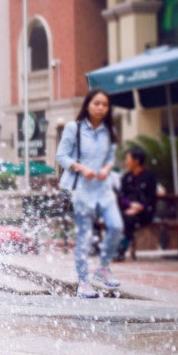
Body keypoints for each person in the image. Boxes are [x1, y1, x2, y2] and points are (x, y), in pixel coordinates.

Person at [55, 88, 122, 299]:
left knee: (116, 226)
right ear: (87, 105)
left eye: (105, 105)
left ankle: (102, 269)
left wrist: (105, 170)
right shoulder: (73, 128)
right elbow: (61, 156)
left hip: (103, 188)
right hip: (81, 189)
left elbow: (111, 158)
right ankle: (83, 283)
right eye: (97, 103)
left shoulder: (110, 132)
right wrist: (81, 168)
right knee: (85, 235)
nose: (101, 108)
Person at [115, 146, 158, 261]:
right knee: (120, 217)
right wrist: (130, 205)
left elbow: (152, 196)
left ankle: (120, 249)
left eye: (128, 158)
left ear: (136, 160)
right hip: (128, 210)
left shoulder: (149, 176)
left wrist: (140, 207)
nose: (126, 161)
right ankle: (115, 247)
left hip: (145, 211)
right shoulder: (126, 177)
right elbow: (121, 197)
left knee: (127, 218)